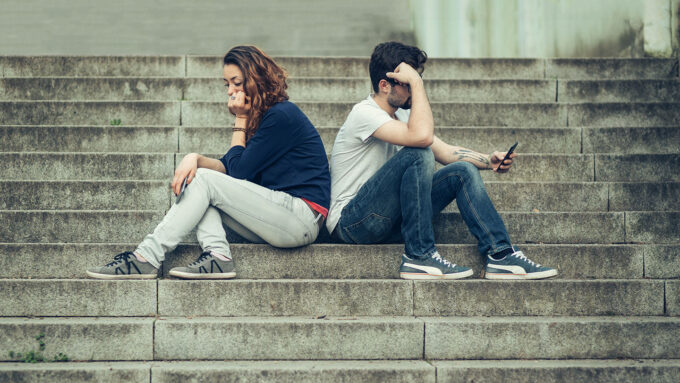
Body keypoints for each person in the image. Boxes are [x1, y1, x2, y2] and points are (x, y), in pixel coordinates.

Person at [87, 45, 330, 279]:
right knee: (198, 181)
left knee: (204, 181)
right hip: (282, 219)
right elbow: (227, 166)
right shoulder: (267, 119)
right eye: (227, 84)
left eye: (237, 82)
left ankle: (146, 258)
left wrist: (241, 118)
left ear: (256, 78)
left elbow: (238, 172)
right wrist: (195, 159)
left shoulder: (281, 115)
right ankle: (218, 256)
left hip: (303, 216)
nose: (229, 90)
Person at [327, 41, 557, 280]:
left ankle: (501, 255)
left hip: (389, 220)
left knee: (462, 171)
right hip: (353, 223)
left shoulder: (404, 115)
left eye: (416, 79)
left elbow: (445, 152)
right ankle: (419, 255)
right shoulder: (364, 114)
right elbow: (423, 138)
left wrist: (489, 161)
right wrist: (417, 84)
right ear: (384, 85)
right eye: (408, 82)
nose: (414, 88)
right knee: (418, 153)